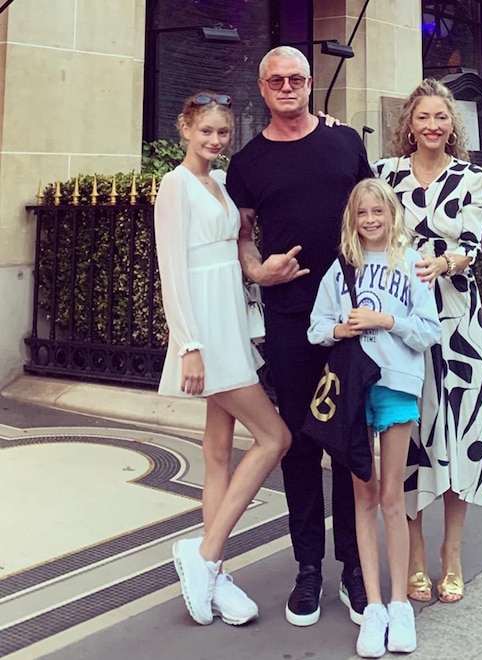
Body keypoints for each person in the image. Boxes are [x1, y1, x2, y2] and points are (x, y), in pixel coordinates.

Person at [225, 46, 373, 627]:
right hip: (289, 317)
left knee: (349, 439)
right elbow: (241, 236)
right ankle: (308, 566)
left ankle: (355, 566)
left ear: (310, 84)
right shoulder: (247, 162)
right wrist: (258, 271)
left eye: (296, 79)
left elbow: (374, 214)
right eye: (276, 81)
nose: (287, 88)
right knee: (300, 443)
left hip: (352, 316)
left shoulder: (344, 143)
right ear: (262, 88)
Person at [155, 91, 291, 627]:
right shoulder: (176, 185)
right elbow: (171, 270)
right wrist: (188, 344)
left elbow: (236, 249)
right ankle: (205, 553)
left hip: (230, 317)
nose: (215, 140)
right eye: (206, 130)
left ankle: (213, 574)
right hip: (205, 328)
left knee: (217, 451)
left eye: (223, 132)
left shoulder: (222, 182)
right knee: (274, 437)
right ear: (185, 129)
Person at [308, 179, 441, 658]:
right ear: (353, 218)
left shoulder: (410, 262)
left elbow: (428, 330)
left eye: (377, 212)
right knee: (362, 496)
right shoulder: (343, 266)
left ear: (391, 214)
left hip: (396, 383)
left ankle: (400, 603)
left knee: (391, 496)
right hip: (352, 389)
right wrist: (341, 329)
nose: (370, 220)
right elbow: (316, 327)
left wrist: (387, 321)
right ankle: (375, 606)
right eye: (362, 213)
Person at [373, 79, 482, 604]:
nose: (432, 126)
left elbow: (472, 245)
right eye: (423, 117)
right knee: (410, 432)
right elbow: (370, 229)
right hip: (402, 317)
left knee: (460, 432)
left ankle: (453, 553)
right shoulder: (386, 174)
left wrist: (443, 263)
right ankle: (415, 554)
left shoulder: (472, 178)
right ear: (410, 124)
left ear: (452, 124)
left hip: (456, 320)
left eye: (441, 117)